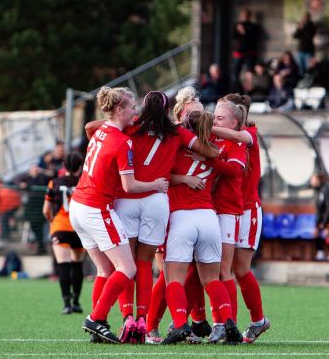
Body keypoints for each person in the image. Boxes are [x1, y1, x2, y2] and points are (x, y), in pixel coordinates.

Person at [86, 89, 218, 344]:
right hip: (157, 199)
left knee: (125, 265)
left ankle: (127, 318)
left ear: (144, 108)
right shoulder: (176, 131)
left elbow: (91, 128)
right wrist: (202, 151)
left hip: (128, 197)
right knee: (145, 264)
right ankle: (144, 322)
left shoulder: (132, 125)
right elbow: (210, 152)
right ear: (168, 108)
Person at [69, 86, 169, 344]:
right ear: (119, 109)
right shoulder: (121, 140)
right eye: (132, 107)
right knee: (127, 267)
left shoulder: (102, 131)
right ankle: (96, 318)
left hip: (78, 206)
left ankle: (97, 328)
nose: (136, 111)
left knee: (105, 269)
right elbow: (130, 186)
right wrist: (156, 185)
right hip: (95, 208)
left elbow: (92, 125)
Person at [162, 110, 242, 345]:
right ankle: (229, 322)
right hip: (208, 217)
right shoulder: (213, 151)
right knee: (211, 279)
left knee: (173, 279)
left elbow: (164, 175)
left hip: (182, 217)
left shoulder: (178, 146)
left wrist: (183, 179)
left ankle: (179, 325)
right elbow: (219, 164)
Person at [212, 94, 270, 344]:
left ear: (237, 118)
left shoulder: (249, 134)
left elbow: (239, 138)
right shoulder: (222, 138)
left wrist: (205, 126)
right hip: (226, 209)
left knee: (238, 268)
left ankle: (255, 320)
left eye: (220, 116)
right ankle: (225, 322)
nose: (215, 119)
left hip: (247, 210)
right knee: (222, 268)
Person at [43, 152, 85, 314]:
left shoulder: (54, 183)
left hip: (60, 226)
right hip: (80, 228)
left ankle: (66, 304)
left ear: (64, 165)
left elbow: (46, 210)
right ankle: (76, 302)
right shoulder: (83, 182)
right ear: (80, 166)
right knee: (77, 264)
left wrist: (52, 220)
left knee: (63, 265)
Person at [18, 165, 49, 255]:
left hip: (39, 206)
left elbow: (44, 182)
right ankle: (40, 245)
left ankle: (41, 246)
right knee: (34, 227)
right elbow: (19, 183)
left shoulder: (42, 178)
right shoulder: (27, 178)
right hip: (31, 207)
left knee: (40, 227)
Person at [231, 8, 261, 91]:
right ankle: (235, 90)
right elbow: (233, 37)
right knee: (235, 73)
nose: (245, 17)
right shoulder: (237, 25)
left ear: (249, 16)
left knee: (250, 74)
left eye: (246, 15)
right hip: (239, 53)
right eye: (243, 15)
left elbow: (253, 38)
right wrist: (238, 30)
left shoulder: (253, 26)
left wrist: (243, 31)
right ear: (241, 16)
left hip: (250, 53)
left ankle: (249, 91)